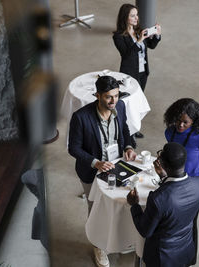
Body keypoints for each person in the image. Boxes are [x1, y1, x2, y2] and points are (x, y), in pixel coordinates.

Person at [68, 75, 137, 267]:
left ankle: (119, 239)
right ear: (97, 95)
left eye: (116, 95)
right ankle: (98, 246)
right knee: (95, 208)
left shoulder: (120, 106)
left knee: (120, 203)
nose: (114, 101)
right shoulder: (81, 117)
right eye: (108, 97)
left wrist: (129, 147)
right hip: (92, 172)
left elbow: (125, 129)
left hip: (117, 165)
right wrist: (96, 163)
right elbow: (73, 148)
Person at [127, 142, 199, 267]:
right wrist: (164, 177)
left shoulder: (158, 198)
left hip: (162, 258)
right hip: (186, 248)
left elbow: (145, 230)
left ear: (163, 164)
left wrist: (134, 205)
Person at [113, 3, 161, 139]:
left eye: (137, 15)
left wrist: (157, 35)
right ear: (125, 18)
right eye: (132, 16)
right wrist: (138, 41)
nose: (136, 18)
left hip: (143, 72)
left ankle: (135, 128)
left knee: (138, 101)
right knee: (129, 104)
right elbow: (126, 55)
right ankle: (128, 132)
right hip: (129, 74)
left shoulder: (139, 30)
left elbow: (151, 46)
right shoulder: (118, 37)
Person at [164, 98, 199, 178]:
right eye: (178, 120)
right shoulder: (169, 132)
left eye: (185, 122)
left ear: (193, 121)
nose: (180, 125)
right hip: (172, 177)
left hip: (191, 179)